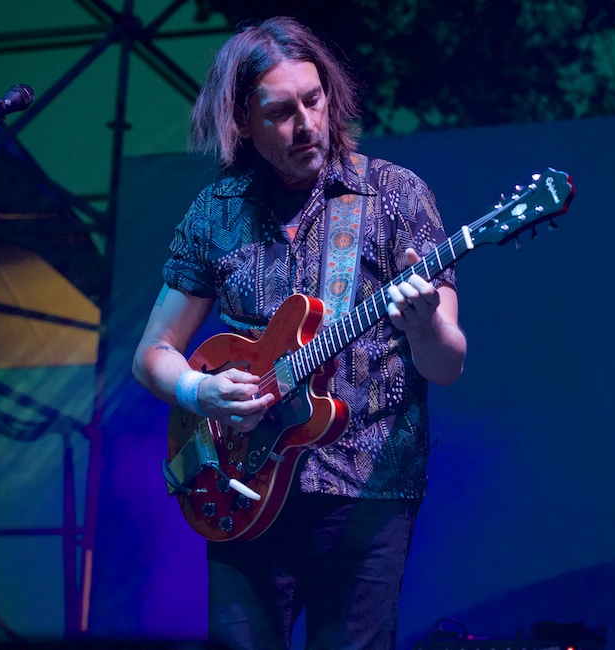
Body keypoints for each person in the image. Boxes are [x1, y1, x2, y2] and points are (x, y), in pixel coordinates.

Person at [131, 16, 466, 650]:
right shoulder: (217, 212)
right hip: (240, 488)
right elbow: (152, 354)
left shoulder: (393, 196)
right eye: (282, 112)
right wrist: (200, 393)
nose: (307, 123)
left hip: (365, 494)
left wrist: (426, 331)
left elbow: (448, 363)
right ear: (243, 124)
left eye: (313, 100)